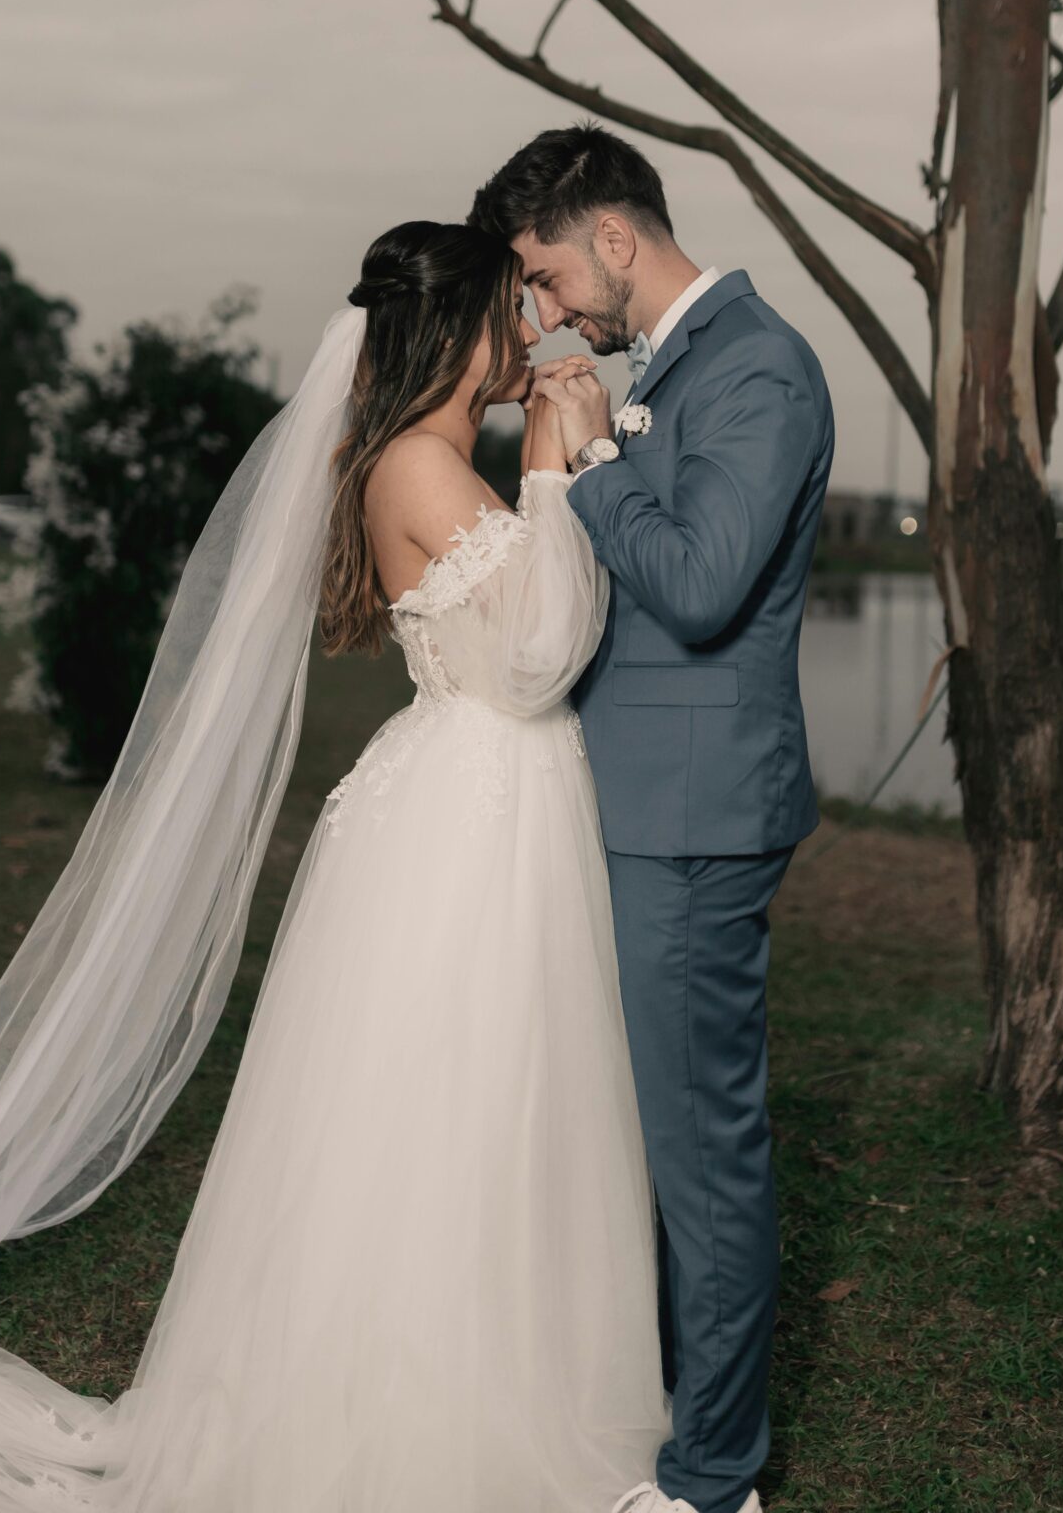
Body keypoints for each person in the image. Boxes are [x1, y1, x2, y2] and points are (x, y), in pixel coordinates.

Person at [0, 221, 671, 1513]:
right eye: (499, 314)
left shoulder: (426, 459)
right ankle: (428, 1414)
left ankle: (526, 1378)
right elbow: (537, 658)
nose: (518, 335)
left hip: (491, 806)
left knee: (509, 1102)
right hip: (472, 817)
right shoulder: (424, 469)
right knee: (459, 1109)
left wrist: (563, 458)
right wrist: (552, 462)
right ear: (451, 331)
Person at [470, 121, 836, 1513]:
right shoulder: (673, 367)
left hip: (694, 818)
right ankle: (667, 1409)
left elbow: (695, 586)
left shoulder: (761, 368)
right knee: (648, 1142)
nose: (547, 307)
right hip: (629, 798)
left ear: (613, 237)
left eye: (549, 274)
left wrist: (590, 463)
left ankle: (714, 1482)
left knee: (704, 1154)